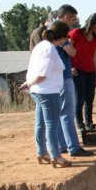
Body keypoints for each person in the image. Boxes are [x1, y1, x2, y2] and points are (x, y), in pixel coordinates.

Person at [20, 21, 72, 168]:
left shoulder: (40, 47)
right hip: (48, 92)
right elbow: (43, 74)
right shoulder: (50, 49)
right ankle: (56, 156)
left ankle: (41, 152)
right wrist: (30, 83)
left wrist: (29, 83)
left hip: (38, 91)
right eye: (66, 37)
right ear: (61, 37)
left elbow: (33, 69)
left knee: (41, 123)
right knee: (52, 126)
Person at [55, 4, 93, 157]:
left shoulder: (51, 33)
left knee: (58, 114)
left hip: (57, 77)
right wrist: (70, 45)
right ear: (66, 17)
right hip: (64, 78)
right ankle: (73, 147)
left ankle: (62, 145)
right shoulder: (60, 33)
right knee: (67, 113)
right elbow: (72, 51)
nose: (73, 24)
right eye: (72, 20)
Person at [69, 13, 96, 130]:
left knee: (90, 98)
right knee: (79, 98)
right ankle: (79, 124)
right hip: (77, 70)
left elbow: (95, 57)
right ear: (91, 24)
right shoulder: (76, 33)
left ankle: (89, 123)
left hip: (90, 71)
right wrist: (70, 67)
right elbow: (67, 50)